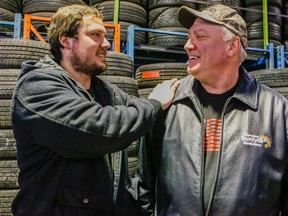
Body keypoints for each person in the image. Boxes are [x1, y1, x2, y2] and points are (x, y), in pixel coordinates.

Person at [11, 4, 180, 216]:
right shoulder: (36, 87)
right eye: (96, 35)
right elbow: (101, 129)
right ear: (66, 41)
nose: (107, 44)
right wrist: (154, 104)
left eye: (106, 36)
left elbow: (134, 114)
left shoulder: (104, 91)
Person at [135, 4, 288, 216]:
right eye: (189, 37)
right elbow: (144, 186)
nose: (188, 45)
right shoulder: (168, 103)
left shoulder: (277, 112)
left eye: (200, 36)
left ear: (232, 46)